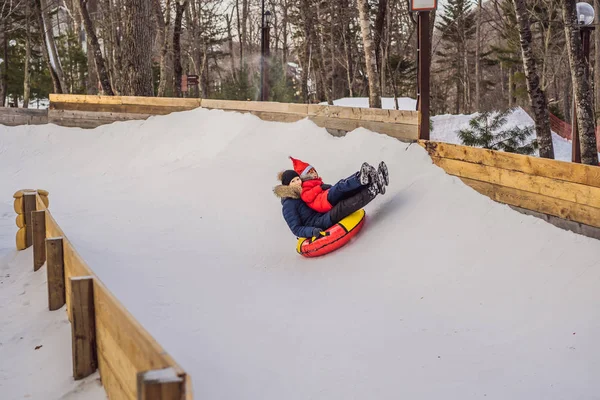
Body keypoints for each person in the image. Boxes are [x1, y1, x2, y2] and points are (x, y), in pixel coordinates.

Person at [273, 164, 387, 239]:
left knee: (344, 193)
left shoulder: (303, 190)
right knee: (344, 206)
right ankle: (373, 190)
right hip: (319, 222)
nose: (297, 182)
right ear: (287, 186)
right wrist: (312, 231)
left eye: (298, 179)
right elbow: (296, 228)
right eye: (293, 181)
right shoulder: (288, 205)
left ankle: (371, 179)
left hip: (324, 210)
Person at [289, 156, 389, 213]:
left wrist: (321, 187)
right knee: (340, 186)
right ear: (304, 177)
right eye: (310, 172)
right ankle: (360, 178)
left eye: (313, 170)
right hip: (324, 202)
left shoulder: (317, 181)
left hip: (326, 199)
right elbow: (306, 197)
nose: (314, 173)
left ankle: (374, 181)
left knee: (348, 190)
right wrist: (319, 188)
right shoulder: (304, 186)